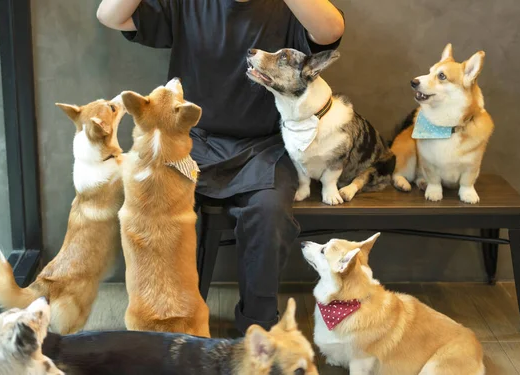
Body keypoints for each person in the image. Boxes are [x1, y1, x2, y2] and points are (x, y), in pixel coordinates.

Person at [97, 0, 344, 335]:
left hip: (265, 147)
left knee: (268, 214)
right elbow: (110, 15)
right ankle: (171, 326)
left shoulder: (289, 8)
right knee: (157, 206)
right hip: (192, 140)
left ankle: (257, 333)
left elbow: (331, 30)